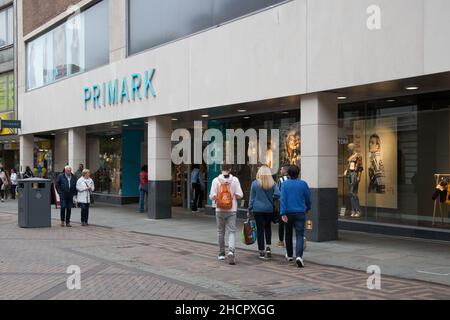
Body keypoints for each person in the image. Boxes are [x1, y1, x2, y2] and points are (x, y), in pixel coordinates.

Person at [209, 164, 243, 265]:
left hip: (219, 210)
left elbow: (212, 196)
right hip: (231, 210)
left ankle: (221, 253)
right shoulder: (235, 180)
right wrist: (232, 196)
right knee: (231, 231)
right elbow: (240, 195)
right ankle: (231, 251)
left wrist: (220, 198)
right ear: (230, 169)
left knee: (220, 232)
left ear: (221, 169)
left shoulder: (216, 180)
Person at [280, 165, 311, 268]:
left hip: (288, 212)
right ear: (298, 173)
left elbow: (283, 199)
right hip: (300, 212)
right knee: (299, 235)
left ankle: (289, 255)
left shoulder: (285, 184)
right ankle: (299, 256)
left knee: (288, 234)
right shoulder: (303, 184)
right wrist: (307, 208)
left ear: (288, 173)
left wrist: (282, 213)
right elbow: (308, 198)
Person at [248, 165, 280, 260]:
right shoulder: (273, 183)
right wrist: (272, 198)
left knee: (260, 229)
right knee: (267, 227)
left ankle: (261, 251)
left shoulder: (254, 184)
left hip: (257, 209)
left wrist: (249, 209)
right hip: (269, 209)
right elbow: (278, 194)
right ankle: (268, 247)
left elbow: (252, 198)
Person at [276, 164, 291, 248]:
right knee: (290, 224)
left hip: (283, 205)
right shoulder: (294, 179)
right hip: (292, 206)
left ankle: (281, 241)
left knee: (281, 224)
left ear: (285, 170)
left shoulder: (281, 180)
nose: (280, 171)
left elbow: (278, 192)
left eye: (281, 169)